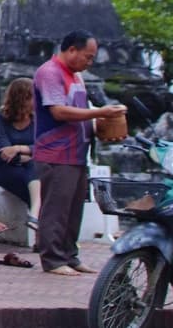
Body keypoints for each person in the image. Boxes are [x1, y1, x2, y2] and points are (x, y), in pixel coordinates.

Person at [32, 30, 127, 276]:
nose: (89, 62)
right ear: (71, 50)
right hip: (56, 153)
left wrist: (102, 122)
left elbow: (80, 111)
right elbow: (59, 112)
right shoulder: (50, 72)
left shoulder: (76, 76)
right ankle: (52, 259)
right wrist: (99, 113)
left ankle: (70, 255)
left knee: (74, 210)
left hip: (76, 152)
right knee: (56, 208)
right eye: (88, 56)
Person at [0, 78, 38, 230]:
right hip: (3, 168)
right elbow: (5, 152)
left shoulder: (36, 119)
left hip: (29, 166)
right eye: (33, 97)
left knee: (37, 176)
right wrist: (29, 153)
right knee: (37, 185)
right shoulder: (0, 119)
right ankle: (42, 232)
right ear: (22, 98)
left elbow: (44, 146)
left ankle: (36, 219)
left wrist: (20, 148)